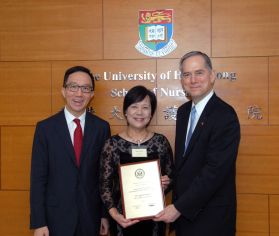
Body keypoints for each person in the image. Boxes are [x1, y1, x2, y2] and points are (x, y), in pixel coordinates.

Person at [154, 51, 241, 236]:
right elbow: (187, 165)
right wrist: (169, 181)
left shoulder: (225, 116)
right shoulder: (184, 112)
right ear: (182, 80)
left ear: (212, 75)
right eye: (187, 74)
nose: (193, 79)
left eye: (199, 72)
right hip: (185, 218)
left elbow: (214, 172)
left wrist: (178, 207)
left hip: (211, 218)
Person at [30, 66, 111, 236]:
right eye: (73, 86)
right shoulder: (45, 128)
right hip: (55, 218)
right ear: (64, 91)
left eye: (86, 88)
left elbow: (104, 177)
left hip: (91, 216)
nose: (79, 93)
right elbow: (38, 178)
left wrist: (105, 215)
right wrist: (39, 222)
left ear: (92, 94)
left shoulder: (102, 128)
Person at [99, 85, 174, 236]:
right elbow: (104, 185)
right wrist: (114, 215)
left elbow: (172, 178)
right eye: (134, 106)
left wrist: (167, 182)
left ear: (151, 112)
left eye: (145, 107)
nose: (139, 112)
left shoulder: (161, 142)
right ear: (125, 111)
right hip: (122, 220)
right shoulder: (112, 144)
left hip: (155, 218)